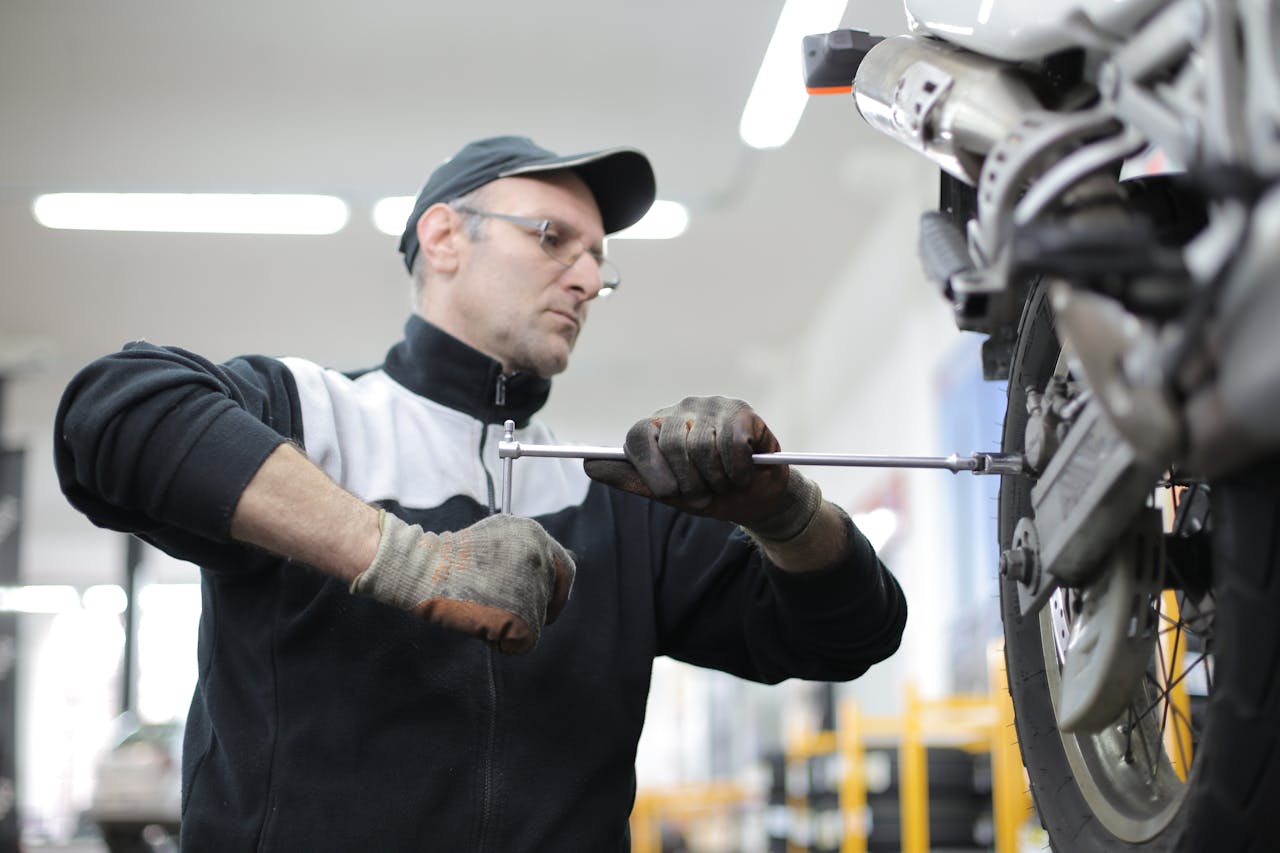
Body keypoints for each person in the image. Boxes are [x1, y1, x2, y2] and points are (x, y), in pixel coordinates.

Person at [54, 135, 907, 851]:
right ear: (444, 236)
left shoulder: (609, 495)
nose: (583, 278)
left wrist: (782, 511)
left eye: (598, 263)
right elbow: (112, 415)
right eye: (552, 237)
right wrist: (410, 561)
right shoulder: (313, 418)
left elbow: (851, 633)